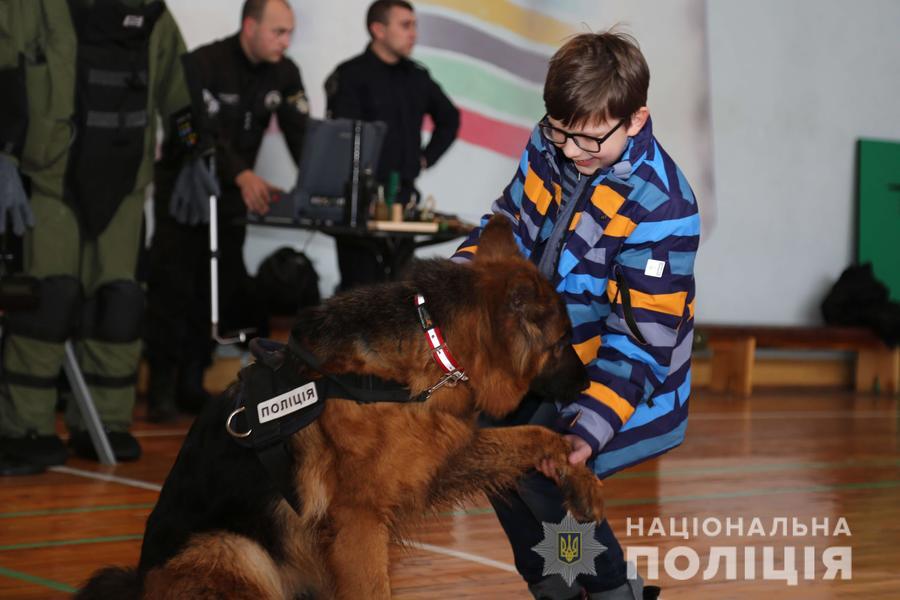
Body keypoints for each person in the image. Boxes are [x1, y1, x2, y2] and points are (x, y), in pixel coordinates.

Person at [453, 31, 700, 600]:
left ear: (636, 120)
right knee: (489, 449)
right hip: (544, 357)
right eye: (559, 132)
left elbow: (639, 342)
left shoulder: (663, 207)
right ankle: (556, 584)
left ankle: (613, 590)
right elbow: (509, 220)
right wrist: (461, 278)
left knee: (552, 480)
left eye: (588, 141)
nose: (569, 152)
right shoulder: (551, 142)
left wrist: (587, 428)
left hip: (620, 379)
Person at [0, 0, 205, 468]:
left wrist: (196, 152)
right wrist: (4, 155)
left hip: (126, 188)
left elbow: (180, 85)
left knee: (120, 305)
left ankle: (105, 423)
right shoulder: (30, 7)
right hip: (47, 180)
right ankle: (22, 428)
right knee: (43, 302)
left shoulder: (153, 16)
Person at [144, 0, 310, 421]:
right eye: (278, 32)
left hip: (233, 202)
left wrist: (317, 189)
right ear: (250, 27)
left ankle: (192, 383)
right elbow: (191, 129)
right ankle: (160, 387)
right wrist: (241, 173)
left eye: (289, 33)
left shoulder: (284, 73)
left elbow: (303, 138)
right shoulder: (203, 63)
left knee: (216, 290)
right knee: (173, 286)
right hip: (186, 191)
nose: (285, 41)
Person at [325, 0, 459, 290]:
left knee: (399, 295)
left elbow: (450, 118)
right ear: (378, 30)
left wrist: (426, 157)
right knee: (358, 294)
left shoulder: (417, 77)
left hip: (403, 202)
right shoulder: (350, 75)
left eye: (414, 25)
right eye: (405, 25)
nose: (413, 33)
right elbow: (342, 140)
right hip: (360, 207)